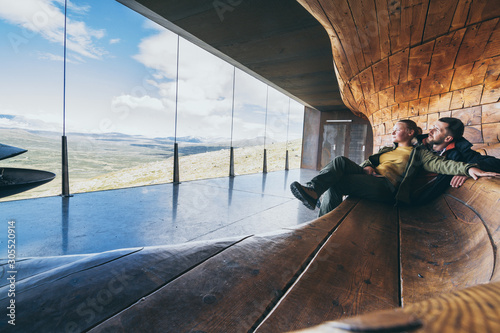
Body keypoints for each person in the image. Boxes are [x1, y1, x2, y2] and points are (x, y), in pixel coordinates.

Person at [290, 119, 499, 216]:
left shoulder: (420, 152)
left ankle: (322, 222)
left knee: (337, 184)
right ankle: (313, 191)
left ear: (409, 132)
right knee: (339, 161)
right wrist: (367, 167)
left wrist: (470, 168)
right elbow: (370, 161)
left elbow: (443, 163)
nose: (432, 129)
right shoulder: (387, 148)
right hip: (372, 177)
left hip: (389, 187)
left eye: (396, 130)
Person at [412, 117, 500, 204]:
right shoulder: (413, 142)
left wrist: (469, 169)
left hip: (420, 204)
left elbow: (494, 162)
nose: (430, 131)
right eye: (433, 127)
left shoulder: (459, 152)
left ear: (448, 139)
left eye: (437, 129)